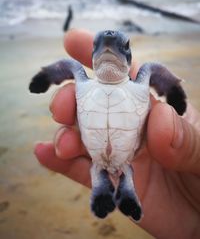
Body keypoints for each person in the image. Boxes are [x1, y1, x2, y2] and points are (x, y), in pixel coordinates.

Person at [34, 29, 200, 239]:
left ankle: (115, 184)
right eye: (101, 46)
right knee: (100, 165)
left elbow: (157, 73)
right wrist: (45, 78)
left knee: (109, 165)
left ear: (128, 57)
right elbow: (67, 66)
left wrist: (175, 95)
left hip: (126, 150)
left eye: (121, 46)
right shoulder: (83, 83)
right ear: (94, 54)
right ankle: (114, 185)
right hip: (102, 148)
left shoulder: (139, 84)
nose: (109, 49)